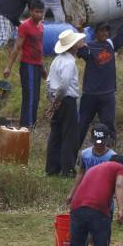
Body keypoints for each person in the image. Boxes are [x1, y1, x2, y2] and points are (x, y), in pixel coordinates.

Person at [76, 11, 123, 146]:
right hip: (90, 95)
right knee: (82, 124)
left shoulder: (111, 44)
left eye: (107, 31)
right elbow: (78, 43)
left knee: (109, 126)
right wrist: (78, 27)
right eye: (101, 31)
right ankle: (73, 152)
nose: (105, 33)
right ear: (95, 32)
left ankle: (110, 154)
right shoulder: (89, 47)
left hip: (107, 95)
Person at [65, 156, 123, 246]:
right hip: (97, 209)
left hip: (76, 208)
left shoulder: (93, 169)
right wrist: (121, 210)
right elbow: (120, 184)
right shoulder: (121, 168)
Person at [45, 29, 86, 176]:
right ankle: (67, 169)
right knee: (70, 136)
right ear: (73, 46)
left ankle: (52, 168)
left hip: (57, 98)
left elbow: (49, 82)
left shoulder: (57, 60)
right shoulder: (69, 62)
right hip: (66, 100)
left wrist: (52, 99)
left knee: (56, 134)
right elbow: (64, 84)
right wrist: (58, 100)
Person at [3, 0, 46, 128]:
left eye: (41, 12)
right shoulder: (25, 26)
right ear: (31, 12)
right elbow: (17, 47)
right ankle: (26, 127)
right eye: (36, 12)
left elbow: (39, 48)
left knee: (36, 97)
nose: (39, 15)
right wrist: (8, 67)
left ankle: (31, 124)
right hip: (28, 65)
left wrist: (42, 67)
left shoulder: (41, 26)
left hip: (37, 65)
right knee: (30, 97)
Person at [67, 124, 123, 206]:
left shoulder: (113, 157)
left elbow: (118, 180)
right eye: (96, 142)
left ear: (107, 139)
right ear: (91, 139)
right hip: (87, 194)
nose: (98, 145)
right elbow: (81, 173)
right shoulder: (84, 154)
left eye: (101, 142)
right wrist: (72, 193)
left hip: (105, 198)